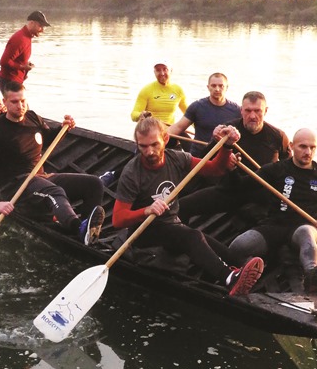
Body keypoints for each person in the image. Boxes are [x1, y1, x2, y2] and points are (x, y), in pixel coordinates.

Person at [112, 116, 264, 295]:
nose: (149, 152)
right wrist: (146, 210)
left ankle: (242, 267)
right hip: (145, 232)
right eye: (143, 146)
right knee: (192, 237)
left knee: (221, 250)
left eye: (154, 144)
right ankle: (229, 278)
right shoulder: (132, 173)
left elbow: (215, 169)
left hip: (171, 225)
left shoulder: (176, 158)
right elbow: (118, 219)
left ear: (165, 139)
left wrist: (227, 146)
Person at [0, 82, 105, 244]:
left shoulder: (32, 117)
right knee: (55, 192)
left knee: (94, 183)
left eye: (23, 101)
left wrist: (63, 128)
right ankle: (77, 227)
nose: (20, 106)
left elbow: (47, 139)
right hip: (15, 186)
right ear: (4, 102)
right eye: (14, 102)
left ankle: (89, 231)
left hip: (40, 177)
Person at [227, 128, 317, 293]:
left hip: (306, 226)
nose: (308, 152)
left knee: (306, 233)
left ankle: (312, 274)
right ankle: (253, 268)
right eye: (302, 147)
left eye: (312, 147)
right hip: (275, 225)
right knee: (237, 248)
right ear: (291, 146)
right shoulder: (275, 169)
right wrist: (232, 169)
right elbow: (241, 186)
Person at [178, 90, 291, 223]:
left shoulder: (278, 136)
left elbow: (289, 169)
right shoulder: (228, 130)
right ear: (241, 111)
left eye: (257, 111)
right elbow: (204, 162)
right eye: (248, 111)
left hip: (260, 194)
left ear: (265, 111)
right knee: (181, 207)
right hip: (229, 189)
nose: (253, 116)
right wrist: (216, 141)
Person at [168, 72, 241, 144]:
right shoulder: (197, 106)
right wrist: (160, 136)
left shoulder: (236, 110)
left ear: (226, 87)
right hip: (199, 153)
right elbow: (178, 127)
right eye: (213, 86)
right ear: (208, 87)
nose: (217, 89)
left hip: (224, 153)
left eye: (221, 86)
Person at [0, 10, 50, 93]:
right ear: (32, 23)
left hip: (15, 81)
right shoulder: (20, 39)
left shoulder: (27, 38)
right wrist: (23, 67)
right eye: (40, 26)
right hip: (9, 82)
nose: (42, 30)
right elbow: (4, 62)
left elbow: (16, 59)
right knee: (22, 106)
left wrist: (25, 67)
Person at [130, 61, 187, 126]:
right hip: (151, 129)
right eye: (158, 70)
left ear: (171, 71)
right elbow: (133, 115)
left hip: (170, 130)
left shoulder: (178, 90)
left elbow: (190, 115)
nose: (162, 73)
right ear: (154, 72)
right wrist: (140, 115)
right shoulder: (146, 90)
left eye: (165, 69)